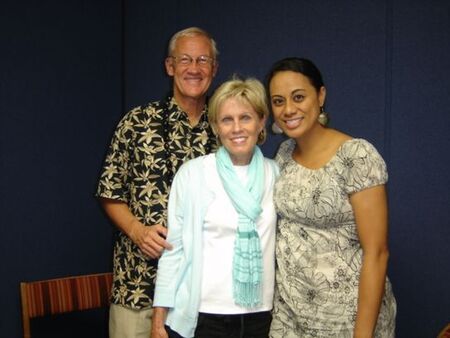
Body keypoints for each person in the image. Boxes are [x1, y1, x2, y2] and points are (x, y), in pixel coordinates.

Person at [96, 27, 219, 338]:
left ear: (214, 69)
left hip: (202, 293)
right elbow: (110, 192)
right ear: (169, 66)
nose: (194, 68)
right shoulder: (136, 122)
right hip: (139, 288)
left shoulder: (226, 129)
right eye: (185, 59)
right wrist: (138, 232)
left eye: (203, 60)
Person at [266, 57, 396, 338]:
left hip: (346, 322)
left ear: (321, 95)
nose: (288, 109)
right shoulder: (285, 154)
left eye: (298, 97)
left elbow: (377, 253)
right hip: (290, 319)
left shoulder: (356, 156)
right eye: (278, 101)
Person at [151, 77, 279, 338]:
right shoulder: (193, 174)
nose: (236, 128)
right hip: (205, 316)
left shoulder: (276, 174)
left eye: (245, 117)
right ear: (215, 127)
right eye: (226, 120)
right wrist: (158, 321)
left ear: (261, 121)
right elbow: (174, 251)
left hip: (261, 315)